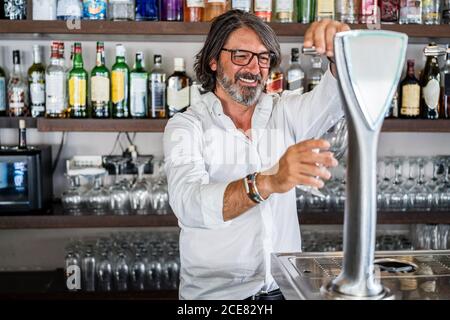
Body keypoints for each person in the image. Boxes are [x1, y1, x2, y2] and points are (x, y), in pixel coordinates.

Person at [163, 10, 350, 300]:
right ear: (213, 60)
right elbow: (190, 204)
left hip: (286, 289)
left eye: (263, 58)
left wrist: (339, 53)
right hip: (218, 296)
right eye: (241, 55)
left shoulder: (284, 110)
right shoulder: (186, 125)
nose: (254, 68)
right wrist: (267, 182)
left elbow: (334, 99)